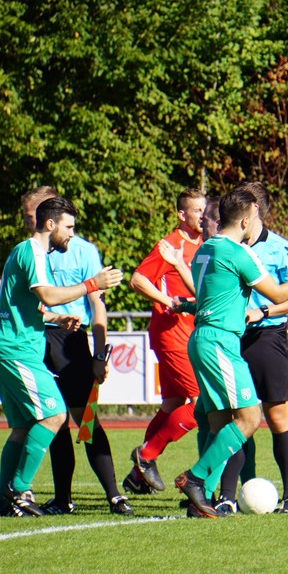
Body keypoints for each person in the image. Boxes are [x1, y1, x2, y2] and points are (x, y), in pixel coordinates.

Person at [173, 187, 288, 518]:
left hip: (203, 337)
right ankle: (195, 479)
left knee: (219, 420)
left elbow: (215, 295)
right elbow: (279, 293)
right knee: (249, 418)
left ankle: (203, 499)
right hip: (222, 342)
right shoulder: (239, 252)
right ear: (248, 217)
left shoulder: (206, 248)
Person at [0, 195, 123, 517]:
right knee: (55, 416)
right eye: (69, 227)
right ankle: (19, 489)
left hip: (16, 346)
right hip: (19, 349)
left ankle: (0, 502)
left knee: (24, 428)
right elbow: (47, 295)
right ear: (51, 224)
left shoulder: (31, 254)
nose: (72, 234)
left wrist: (55, 318)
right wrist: (92, 284)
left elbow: (29, 305)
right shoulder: (31, 250)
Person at [21, 186, 132, 516]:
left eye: (32, 214)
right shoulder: (28, 252)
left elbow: (97, 303)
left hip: (71, 343)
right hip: (36, 340)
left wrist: (100, 355)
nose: (29, 220)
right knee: (55, 421)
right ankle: (63, 498)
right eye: (28, 216)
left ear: (48, 215)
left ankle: (115, 496)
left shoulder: (83, 250)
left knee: (87, 421)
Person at [123, 188, 206, 495]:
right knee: (202, 404)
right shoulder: (170, 245)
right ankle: (145, 456)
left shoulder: (205, 244)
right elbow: (137, 280)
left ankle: (137, 474)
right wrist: (167, 300)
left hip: (189, 333)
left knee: (172, 404)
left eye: (204, 209)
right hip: (172, 333)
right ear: (182, 215)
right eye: (196, 210)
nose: (203, 215)